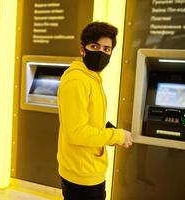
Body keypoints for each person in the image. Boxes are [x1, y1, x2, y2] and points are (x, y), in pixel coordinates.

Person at [57, 21, 133, 200]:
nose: (101, 52)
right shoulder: (78, 81)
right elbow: (76, 133)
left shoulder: (92, 78)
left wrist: (110, 130)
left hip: (88, 167)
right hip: (82, 174)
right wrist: (116, 135)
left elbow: (90, 119)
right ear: (82, 49)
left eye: (107, 49)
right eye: (95, 46)